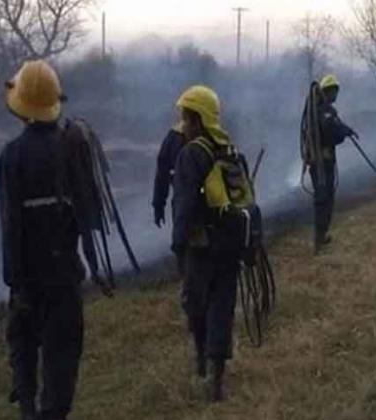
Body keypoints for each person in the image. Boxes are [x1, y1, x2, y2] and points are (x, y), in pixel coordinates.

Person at [0, 59, 103, 420]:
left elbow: (11, 226)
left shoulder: (11, 156)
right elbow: (89, 218)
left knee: (24, 353)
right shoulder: (72, 147)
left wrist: (16, 283)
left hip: (27, 282)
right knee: (61, 362)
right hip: (64, 278)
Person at [172, 85, 241, 402]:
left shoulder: (191, 154)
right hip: (230, 243)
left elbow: (184, 206)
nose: (182, 125)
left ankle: (201, 362)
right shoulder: (228, 149)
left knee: (196, 305)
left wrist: (178, 246)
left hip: (200, 247)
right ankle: (217, 380)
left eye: (185, 118)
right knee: (222, 308)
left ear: (197, 119)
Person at [309, 74, 358, 254]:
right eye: (335, 91)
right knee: (323, 199)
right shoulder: (325, 111)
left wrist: (347, 130)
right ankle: (318, 240)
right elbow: (331, 134)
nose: (336, 95)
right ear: (328, 91)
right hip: (322, 162)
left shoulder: (319, 110)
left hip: (319, 161)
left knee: (325, 198)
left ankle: (321, 236)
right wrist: (343, 134)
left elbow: (336, 127)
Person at [152, 122, 185, 228]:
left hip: (184, 203)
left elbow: (162, 174)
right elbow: (162, 173)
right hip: (185, 202)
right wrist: (158, 205)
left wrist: (158, 205)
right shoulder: (216, 135)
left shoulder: (175, 135)